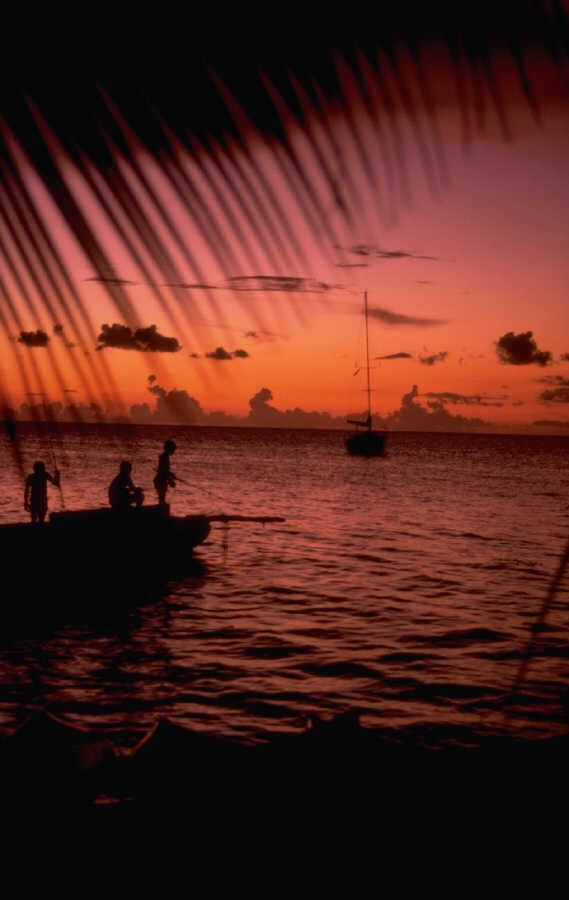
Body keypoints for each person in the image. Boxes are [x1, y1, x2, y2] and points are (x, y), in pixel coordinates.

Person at [153, 440, 177, 505]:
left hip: (160, 480)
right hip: (160, 481)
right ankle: (161, 509)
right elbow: (164, 472)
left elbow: (164, 470)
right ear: (169, 449)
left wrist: (171, 475)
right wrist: (170, 480)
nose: (173, 451)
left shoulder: (164, 457)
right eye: (173, 449)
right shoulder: (164, 457)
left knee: (162, 498)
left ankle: (161, 508)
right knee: (162, 498)